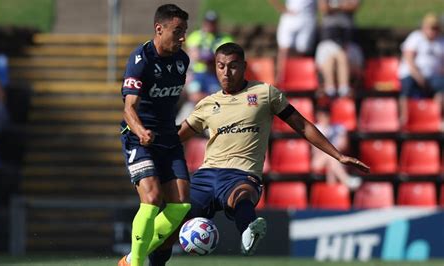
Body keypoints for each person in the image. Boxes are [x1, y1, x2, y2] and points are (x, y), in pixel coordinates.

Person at [148, 42, 370, 265]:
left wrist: (338, 155)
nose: (226, 72)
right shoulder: (207, 104)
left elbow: (303, 126)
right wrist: (147, 138)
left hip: (241, 174)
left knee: (241, 196)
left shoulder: (265, 93)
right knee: (170, 226)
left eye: (233, 66)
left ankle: (248, 231)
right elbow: (177, 137)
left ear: (244, 66)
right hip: (206, 175)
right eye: (221, 66)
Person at [117, 4, 192, 266]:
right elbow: (129, 108)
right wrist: (141, 131)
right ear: (159, 29)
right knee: (151, 198)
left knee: (181, 206)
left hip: (168, 139)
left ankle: (129, 259)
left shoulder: (182, 60)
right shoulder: (141, 59)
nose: (182, 37)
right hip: (139, 138)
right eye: (177, 31)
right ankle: (136, 263)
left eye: (184, 31)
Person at [398, 12, 444, 125]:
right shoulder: (415, 37)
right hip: (413, 74)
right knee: (407, 86)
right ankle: (404, 118)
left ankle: (437, 118)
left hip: (433, 76)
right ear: (424, 27)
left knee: (442, 87)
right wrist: (419, 77)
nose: (433, 31)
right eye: (431, 28)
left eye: (436, 28)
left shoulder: (441, 41)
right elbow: (409, 59)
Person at [315, 0, 363, 97]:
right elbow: (324, 8)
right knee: (335, 56)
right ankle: (342, 89)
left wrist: (333, 5)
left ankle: (331, 90)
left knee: (340, 55)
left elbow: (354, 6)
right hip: (328, 43)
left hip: (348, 45)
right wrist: (343, 5)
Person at [268, 0, 317, 85]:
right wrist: (282, 9)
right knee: (285, 50)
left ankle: (295, 81)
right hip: (290, 19)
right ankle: (281, 80)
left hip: (307, 19)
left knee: (300, 52)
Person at [311, 107, 361, 190]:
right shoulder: (315, 129)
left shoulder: (338, 128)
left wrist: (341, 139)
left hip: (336, 159)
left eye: (326, 115)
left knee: (331, 165)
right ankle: (346, 181)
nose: (324, 118)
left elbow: (344, 146)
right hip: (318, 160)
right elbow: (317, 150)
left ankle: (332, 192)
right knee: (331, 156)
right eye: (322, 116)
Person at [186, 10, 234, 74]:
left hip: (216, 73)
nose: (210, 25)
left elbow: (227, 58)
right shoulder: (195, 36)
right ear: (203, 22)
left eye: (213, 23)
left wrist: (207, 56)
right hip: (196, 73)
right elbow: (193, 55)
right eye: (208, 22)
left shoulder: (226, 38)